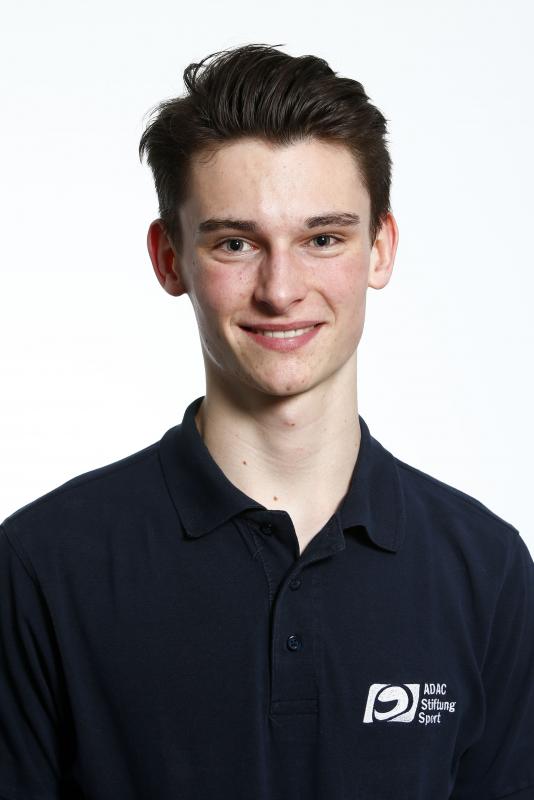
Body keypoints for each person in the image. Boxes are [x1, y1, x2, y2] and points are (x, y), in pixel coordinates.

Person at [1, 43, 533, 800]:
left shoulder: (487, 569)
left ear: (380, 248)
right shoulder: (42, 564)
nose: (281, 290)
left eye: (323, 239)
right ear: (170, 259)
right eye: (236, 243)